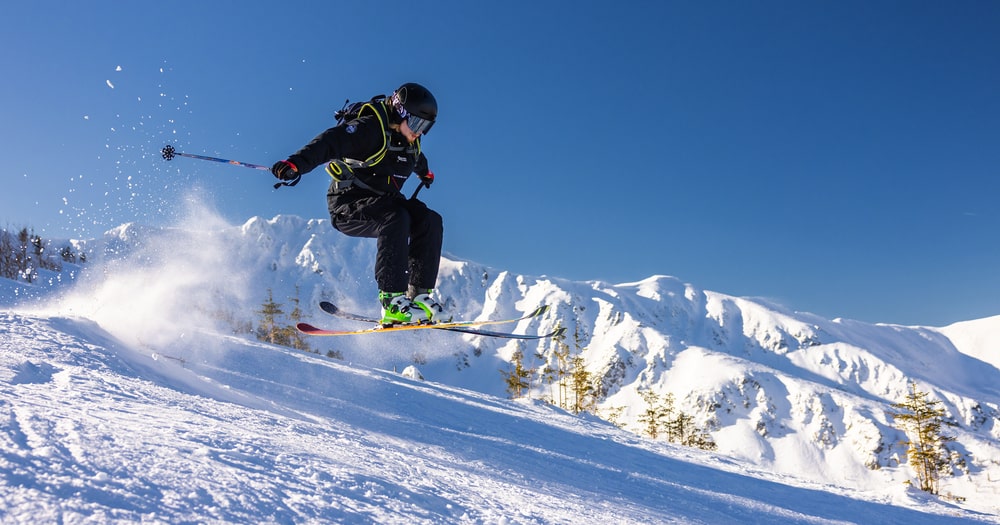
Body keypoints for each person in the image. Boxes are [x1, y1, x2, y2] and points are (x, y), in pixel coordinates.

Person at [271, 82, 445, 326]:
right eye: (416, 123)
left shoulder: (410, 141)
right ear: (400, 112)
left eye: (426, 127)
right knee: (396, 217)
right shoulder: (369, 129)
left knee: (430, 220)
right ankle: (392, 301)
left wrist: (424, 173)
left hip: (384, 202)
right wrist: (295, 164)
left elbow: (416, 158)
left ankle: (419, 295)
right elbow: (329, 142)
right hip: (348, 205)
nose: (419, 132)